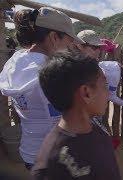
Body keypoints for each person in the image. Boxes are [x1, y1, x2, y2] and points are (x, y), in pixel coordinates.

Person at [0, 7, 83, 170]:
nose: (71, 46)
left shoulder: (15, 61)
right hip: (52, 154)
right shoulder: (50, 74)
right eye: (69, 40)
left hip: (28, 150)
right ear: (53, 37)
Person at [31, 52, 120, 180]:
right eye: (104, 85)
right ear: (86, 93)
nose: (108, 94)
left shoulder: (97, 130)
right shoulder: (50, 166)